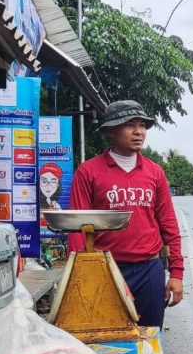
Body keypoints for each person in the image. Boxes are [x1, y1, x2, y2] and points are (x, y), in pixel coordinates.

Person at [67, 100, 183, 328]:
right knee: (106, 336)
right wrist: (82, 275)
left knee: (150, 337)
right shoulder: (88, 172)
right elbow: (78, 229)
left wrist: (177, 273)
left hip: (149, 269)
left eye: (142, 125)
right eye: (130, 125)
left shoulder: (155, 172)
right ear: (111, 130)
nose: (139, 131)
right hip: (105, 269)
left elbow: (168, 223)